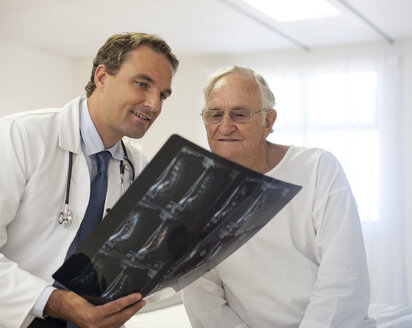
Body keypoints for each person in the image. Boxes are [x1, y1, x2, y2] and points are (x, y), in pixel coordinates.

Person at [0, 32, 179, 328]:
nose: (154, 104)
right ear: (102, 76)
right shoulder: (21, 136)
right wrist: (53, 301)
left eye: (162, 94)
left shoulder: (137, 164)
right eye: (142, 83)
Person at [182, 66, 376, 328]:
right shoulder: (196, 197)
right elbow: (202, 298)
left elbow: (343, 276)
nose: (225, 126)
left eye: (239, 114)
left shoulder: (318, 168)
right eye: (215, 115)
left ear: (268, 122)